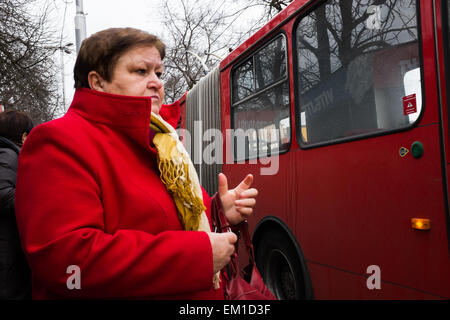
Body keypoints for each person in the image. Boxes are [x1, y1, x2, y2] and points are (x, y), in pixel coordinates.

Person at [14, 28, 258, 299]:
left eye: (159, 73)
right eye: (141, 71)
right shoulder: (58, 140)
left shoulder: (162, 141)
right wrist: (197, 256)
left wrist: (218, 210)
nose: (156, 82)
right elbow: (66, 264)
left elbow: (170, 220)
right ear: (97, 82)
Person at [0, 110, 33, 300]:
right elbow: (2, 193)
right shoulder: (7, 154)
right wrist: (33, 201)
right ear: (23, 136)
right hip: (6, 244)